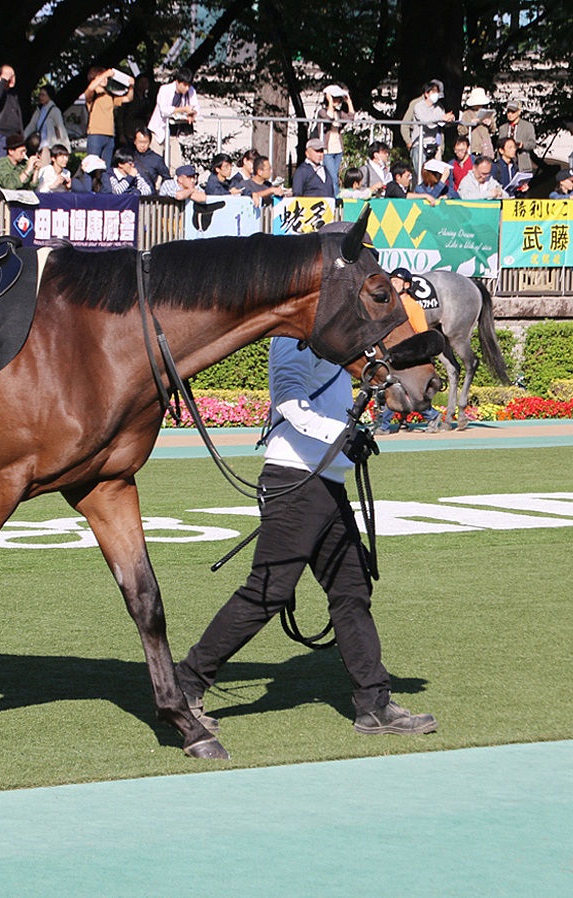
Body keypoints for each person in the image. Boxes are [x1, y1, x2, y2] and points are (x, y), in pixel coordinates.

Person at [175, 336, 438, 739]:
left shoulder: (337, 344)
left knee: (352, 591)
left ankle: (374, 705)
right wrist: (341, 434)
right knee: (268, 592)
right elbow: (289, 400)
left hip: (328, 484)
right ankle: (187, 683)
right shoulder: (290, 339)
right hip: (293, 479)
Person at [375, 269, 442, 434]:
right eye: (391, 281)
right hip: (393, 353)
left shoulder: (414, 307)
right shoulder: (391, 305)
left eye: (396, 282)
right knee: (393, 387)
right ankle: (431, 416)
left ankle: (383, 425)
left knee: (394, 386)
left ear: (406, 285)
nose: (392, 284)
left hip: (407, 356)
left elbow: (422, 333)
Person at [83, 67, 132, 170]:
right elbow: (90, 88)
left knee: (107, 167)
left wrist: (131, 86)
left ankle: (104, 186)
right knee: (92, 165)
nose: (105, 79)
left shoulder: (109, 95)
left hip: (110, 135)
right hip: (96, 133)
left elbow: (128, 98)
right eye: (100, 76)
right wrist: (105, 74)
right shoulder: (93, 94)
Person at [147, 69, 198, 167]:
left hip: (173, 133)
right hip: (159, 131)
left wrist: (192, 114)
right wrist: (183, 109)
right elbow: (164, 109)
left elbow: (196, 108)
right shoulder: (165, 89)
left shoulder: (191, 91)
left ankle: (171, 182)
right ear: (177, 82)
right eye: (185, 85)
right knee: (155, 165)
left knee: (176, 165)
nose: (187, 88)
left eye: (189, 85)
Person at [410, 79, 455, 178]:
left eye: (437, 92)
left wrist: (449, 119)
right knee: (421, 176)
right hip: (419, 145)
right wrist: (442, 118)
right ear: (426, 94)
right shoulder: (418, 106)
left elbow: (442, 121)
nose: (436, 95)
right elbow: (426, 121)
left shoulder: (438, 108)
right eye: (433, 92)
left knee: (433, 177)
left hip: (432, 146)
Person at [0, 64, 24, 169]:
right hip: (1, 137)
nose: (11, 78)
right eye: (8, 74)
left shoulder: (14, 94)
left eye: (13, 75)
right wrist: (3, 81)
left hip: (14, 137)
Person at [316, 84, 355, 188]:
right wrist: (329, 101)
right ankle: (335, 200)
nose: (336, 101)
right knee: (333, 178)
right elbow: (328, 117)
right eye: (334, 98)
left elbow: (351, 118)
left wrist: (349, 101)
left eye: (338, 98)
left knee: (334, 177)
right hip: (327, 150)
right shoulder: (322, 112)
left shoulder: (339, 113)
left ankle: (334, 197)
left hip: (338, 149)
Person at [24, 84, 70, 168]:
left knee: (43, 170)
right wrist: (22, 139)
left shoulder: (54, 110)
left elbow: (60, 128)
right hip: (38, 147)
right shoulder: (39, 110)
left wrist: (65, 147)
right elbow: (32, 125)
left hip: (48, 147)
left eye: (43, 95)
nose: (41, 97)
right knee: (37, 170)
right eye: (40, 95)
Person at [497, 101, 537, 173]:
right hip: (505, 164)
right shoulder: (502, 128)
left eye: (513, 112)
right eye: (508, 112)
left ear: (519, 112)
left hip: (522, 163)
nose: (510, 114)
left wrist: (522, 145)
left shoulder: (527, 126)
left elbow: (532, 144)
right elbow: (499, 145)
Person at [458, 87, 495, 160]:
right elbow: (461, 132)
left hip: (485, 147)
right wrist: (469, 124)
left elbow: (494, 130)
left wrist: (490, 124)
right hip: (473, 147)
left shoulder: (487, 113)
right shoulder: (466, 114)